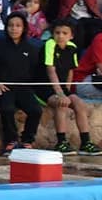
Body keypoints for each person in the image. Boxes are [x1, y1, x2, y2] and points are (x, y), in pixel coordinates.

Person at [38, 18, 99, 155]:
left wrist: (67, 90)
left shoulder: (72, 48)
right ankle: (61, 143)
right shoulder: (49, 45)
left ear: (71, 36)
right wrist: (60, 94)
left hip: (61, 87)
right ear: (52, 34)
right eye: (57, 33)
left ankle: (85, 143)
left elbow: (71, 70)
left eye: (65, 33)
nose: (60, 36)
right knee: (62, 104)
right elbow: (51, 71)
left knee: (79, 104)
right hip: (45, 86)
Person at [0, 13, 41, 153]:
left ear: (24, 28)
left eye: (18, 26)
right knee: (7, 108)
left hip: (23, 88)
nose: (14, 29)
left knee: (36, 110)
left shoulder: (31, 48)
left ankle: (27, 140)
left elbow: (35, 72)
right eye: (11, 25)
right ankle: (11, 140)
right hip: (3, 87)